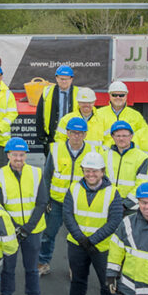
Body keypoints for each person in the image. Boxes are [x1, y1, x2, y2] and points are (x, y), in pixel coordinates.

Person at [58, 151, 123, 295]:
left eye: (95, 171)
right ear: (83, 171)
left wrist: (92, 240)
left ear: (102, 171)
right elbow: (67, 215)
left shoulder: (113, 192)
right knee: (77, 279)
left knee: (107, 283)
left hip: (101, 247)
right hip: (77, 245)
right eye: (87, 171)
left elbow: (114, 220)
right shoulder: (73, 188)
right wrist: (81, 239)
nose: (91, 174)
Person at [0, 138, 48, 295]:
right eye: (15, 154)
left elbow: (42, 202)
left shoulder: (36, 173)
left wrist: (27, 228)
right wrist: (16, 228)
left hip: (32, 231)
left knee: (31, 269)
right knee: (7, 268)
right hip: (10, 231)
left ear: (26, 155)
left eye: (22, 154)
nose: (18, 158)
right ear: (8, 155)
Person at [38, 117, 96, 276]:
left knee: (77, 237)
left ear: (85, 134)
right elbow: (47, 175)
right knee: (48, 234)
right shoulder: (56, 149)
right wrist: (46, 199)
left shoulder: (92, 152)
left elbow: (96, 178)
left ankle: (74, 267)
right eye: (72, 132)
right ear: (67, 133)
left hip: (80, 203)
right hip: (57, 201)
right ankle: (43, 262)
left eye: (80, 133)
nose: (76, 136)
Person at [104, 121, 148, 215]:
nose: (121, 139)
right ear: (112, 137)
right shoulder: (105, 155)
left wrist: (125, 204)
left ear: (131, 136)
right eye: (118, 136)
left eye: (125, 135)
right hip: (109, 205)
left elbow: (142, 185)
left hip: (132, 208)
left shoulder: (143, 158)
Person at [36, 65, 78, 150]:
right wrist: (41, 136)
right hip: (52, 137)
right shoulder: (47, 92)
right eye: (61, 78)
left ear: (71, 79)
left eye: (66, 79)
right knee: (52, 162)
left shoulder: (79, 93)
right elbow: (39, 115)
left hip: (73, 137)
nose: (64, 81)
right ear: (56, 78)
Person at [97, 81, 146, 147]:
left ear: (126, 96)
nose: (118, 97)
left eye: (121, 95)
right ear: (109, 95)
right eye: (114, 95)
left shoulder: (136, 116)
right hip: (106, 154)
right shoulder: (98, 114)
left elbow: (145, 136)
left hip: (128, 154)